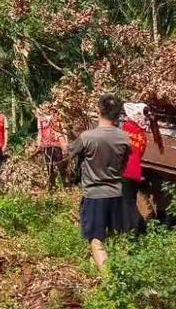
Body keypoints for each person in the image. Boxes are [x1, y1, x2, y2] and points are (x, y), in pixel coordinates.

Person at [68, 94, 130, 270]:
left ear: (98, 111)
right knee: (115, 236)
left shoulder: (88, 137)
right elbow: (124, 165)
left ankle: (109, 282)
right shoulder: (124, 138)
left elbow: (69, 152)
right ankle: (124, 274)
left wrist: (61, 141)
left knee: (97, 240)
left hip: (95, 195)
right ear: (118, 115)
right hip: (116, 193)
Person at [121, 103, 149, 232]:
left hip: (123, 170)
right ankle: (135, 227)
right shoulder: (142, 135)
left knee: (125, 203)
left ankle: (134, 229)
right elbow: (140, 153)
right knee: (130, 201)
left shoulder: (125, 128)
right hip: (135, 172)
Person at [37, 105, 68, 192]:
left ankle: (66, 187)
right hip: (47, 146)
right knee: (49, 168)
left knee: (61, 166)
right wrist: (39, 144)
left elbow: (64, 131)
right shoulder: (41, 119)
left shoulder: (57, 116)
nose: (46, 109)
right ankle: (52, 188)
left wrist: (65, 145)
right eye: (44, 108)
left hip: (57, 145)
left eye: (48, 108)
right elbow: (40, 133)